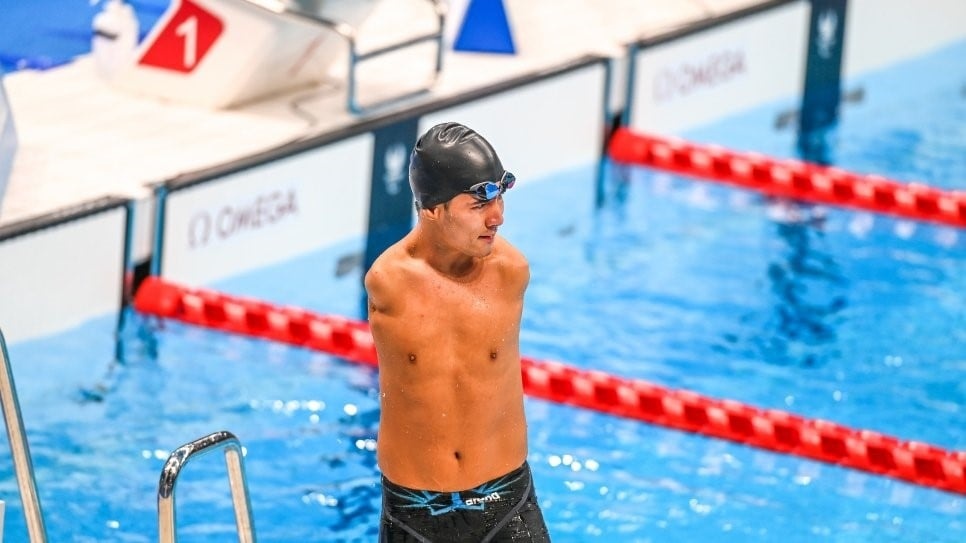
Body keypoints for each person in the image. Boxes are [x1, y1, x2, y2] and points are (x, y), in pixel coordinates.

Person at [365, 122, 550, 542]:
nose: (497, 216)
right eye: (479, 203)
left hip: (506, 500)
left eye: (500, 196)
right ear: (432, 209)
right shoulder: (388, 283)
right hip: (414, 511)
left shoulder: (510, 272)